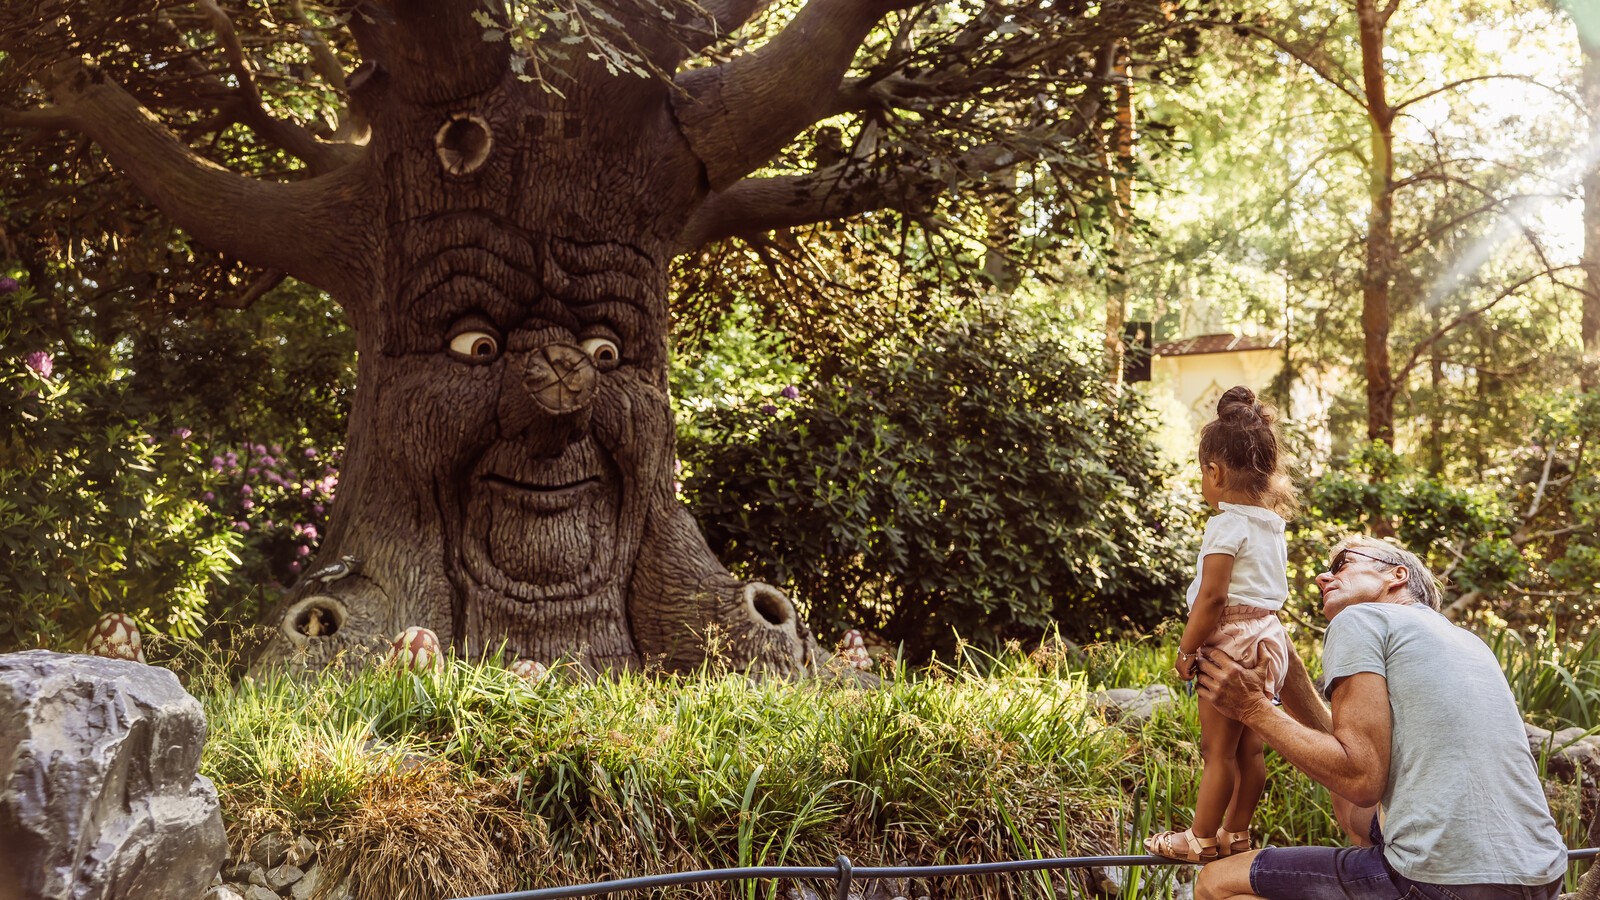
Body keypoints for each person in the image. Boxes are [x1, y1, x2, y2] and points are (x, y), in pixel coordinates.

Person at [1193, 536, 1569, 900]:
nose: (1323, 578)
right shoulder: (1468, 641)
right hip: (1542, 876)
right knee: (1364, 825)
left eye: (1343, 564)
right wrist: (1288, 672)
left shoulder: (1361, 619)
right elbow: (1356, 798)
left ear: (1396, 575)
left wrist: (1253, 708)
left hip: (1441, 881)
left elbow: (1358, 778)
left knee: (1216, 881)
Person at [1145, 386, 1296, 863]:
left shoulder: (1225, 525)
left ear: (1215, 471)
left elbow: (1212, 598)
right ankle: (1237, 834)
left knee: (1218, 753)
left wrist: (1188, 649)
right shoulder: (1272, 525)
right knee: (1251, 749)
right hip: (1267, 638)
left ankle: (1200, 838)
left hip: (1228, 640)